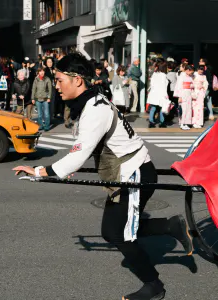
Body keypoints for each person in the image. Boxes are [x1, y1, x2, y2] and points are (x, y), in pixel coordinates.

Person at [12, 52, 193, 300]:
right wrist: (64, 166)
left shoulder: (95, 109)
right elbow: (83, 148)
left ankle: (154, 286)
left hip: (134, 172)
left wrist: (41, 172)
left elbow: (78, 154)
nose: (57, 85)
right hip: (128, 171)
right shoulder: (91, 103)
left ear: (77, 80)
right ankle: (170, 226)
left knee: (121, 235)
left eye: (59, 79)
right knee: (111, 231)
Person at [147, 62, 169, 128]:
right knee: (162, 108)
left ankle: (151, 122)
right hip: (161, 93)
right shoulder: (164, 75)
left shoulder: (154, 74)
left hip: (154, 93)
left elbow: (151, 84)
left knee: (153, 108)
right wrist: (166, 95)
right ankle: (162, 122)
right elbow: (164, 86)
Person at [176, 65, 195, 130]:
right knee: (184, 109)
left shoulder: (190, 77)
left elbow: (192, 84)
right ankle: (182, 123)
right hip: (183, 93)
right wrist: (180, 96)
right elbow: (179, 86)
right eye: (191, 72)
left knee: (188, 109)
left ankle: (186, 123)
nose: (191, 73)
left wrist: (191, 86)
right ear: (187, 70)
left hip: (188, 93)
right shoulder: (182, 76)